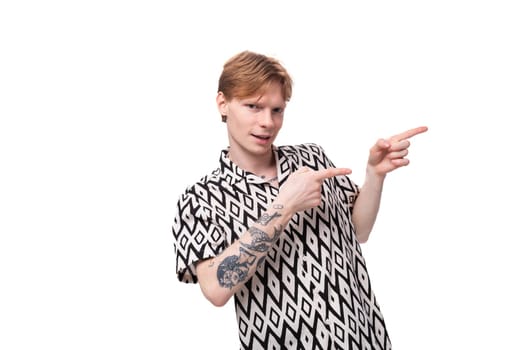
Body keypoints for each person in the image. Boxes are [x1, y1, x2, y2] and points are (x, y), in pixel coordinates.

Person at [172, 50, 427, 350]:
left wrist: (375, 175)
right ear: (223, 104)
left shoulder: (312, 158)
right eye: (253, 106)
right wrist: (285, 205)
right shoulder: (201, 199)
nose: (267, 122)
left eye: (277, 110)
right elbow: (215, 289)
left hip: (365, 340)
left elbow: (359, 230)